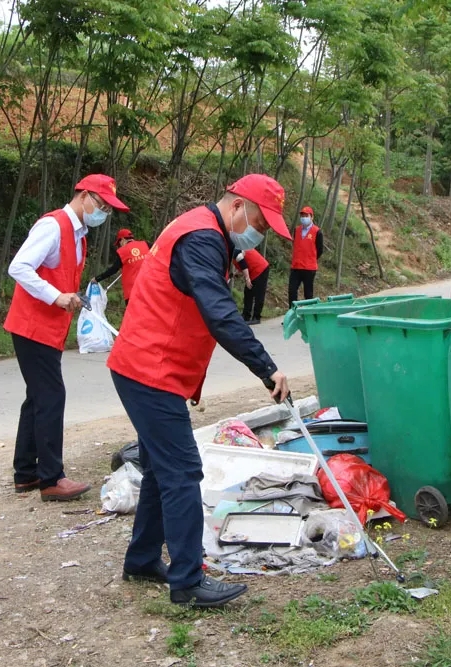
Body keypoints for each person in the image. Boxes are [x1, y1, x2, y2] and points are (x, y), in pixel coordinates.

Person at [107, 174, 291, 608]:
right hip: (149, 371)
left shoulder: (207, 233)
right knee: (183, 472)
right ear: (238, 208)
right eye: (261, 226)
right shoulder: (202, 238)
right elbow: (220, 314)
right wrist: (266, 368)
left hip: (147, 367)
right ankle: (188, 582)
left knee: (159, 468)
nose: (260, 236)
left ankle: (142, 560)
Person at [5, 175, 130, 501]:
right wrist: (56, 296)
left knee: (37, 397)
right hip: (32, 326)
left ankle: (26, 473)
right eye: (101, 205)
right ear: (84, 196)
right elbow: (19, 267)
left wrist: (69, 296)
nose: (102, 213)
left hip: (46, 328)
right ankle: (51, 479)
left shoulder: (78, 235)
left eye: (107, 209)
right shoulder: (53, 226)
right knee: (51, 396)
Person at [92, 228, 151, 304]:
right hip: (150, 289)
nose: (119, 246)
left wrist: (97, 279)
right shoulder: (146, 244)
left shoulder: (123, 251)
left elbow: (113, 270)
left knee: (133, 315)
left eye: (119, 244)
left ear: (122, 240)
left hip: (132, 292)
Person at [288, 205, 323, 304]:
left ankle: (309, 314)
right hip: (296, 266)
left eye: (306, 215)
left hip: (309, 268)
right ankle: (292, 313)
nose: (304, 218)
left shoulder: (317, 232)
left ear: (312, 217)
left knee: (308, 294)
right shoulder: (297, 230)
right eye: (302, 215)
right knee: (292, 290)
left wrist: (311, 258)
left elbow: (320, 250)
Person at [233, 247, 270, 324]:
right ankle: (246, 315)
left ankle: (256, 317)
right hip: (252, 270)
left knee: (259, 293)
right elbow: (242, 263)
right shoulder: (232, 250)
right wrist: (236, 272)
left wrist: (247, 279)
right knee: (248, 293)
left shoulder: (234, 250)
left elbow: (243, 264)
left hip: (261, 268)